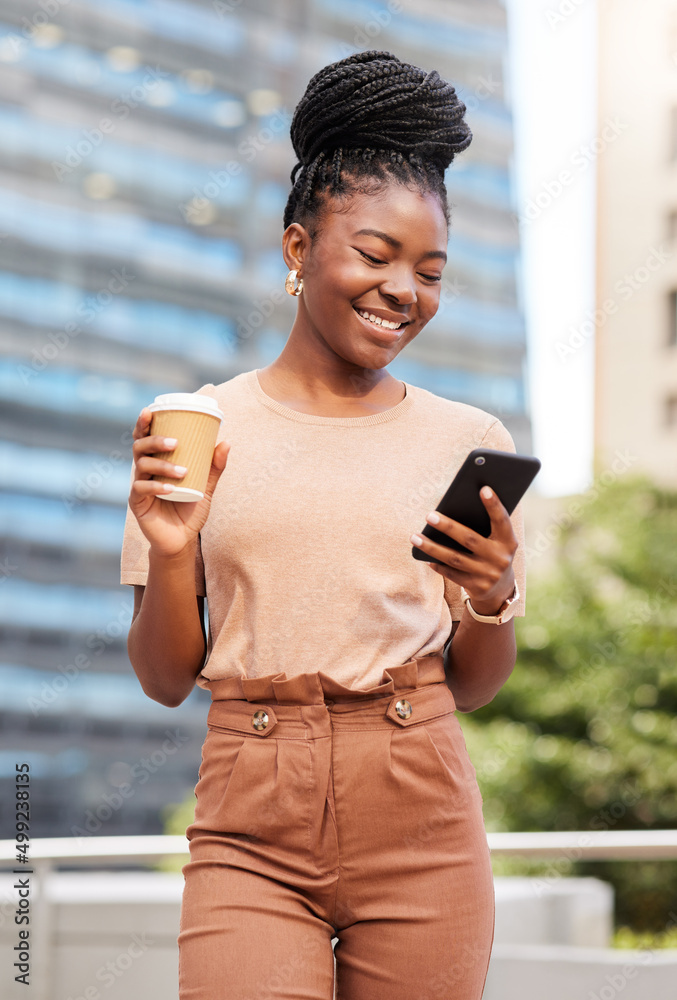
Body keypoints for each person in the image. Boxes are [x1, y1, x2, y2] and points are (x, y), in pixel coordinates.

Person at [120, 49, 528, 1000]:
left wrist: (491, 597)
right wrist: (174, 552)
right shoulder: (199, 427)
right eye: (374, 255)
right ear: (299, 250)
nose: (404, 290)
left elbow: (474, 688)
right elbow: (163, 677)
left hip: (419, 802)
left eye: (428, 271)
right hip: (248, 812)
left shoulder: (466, 438)